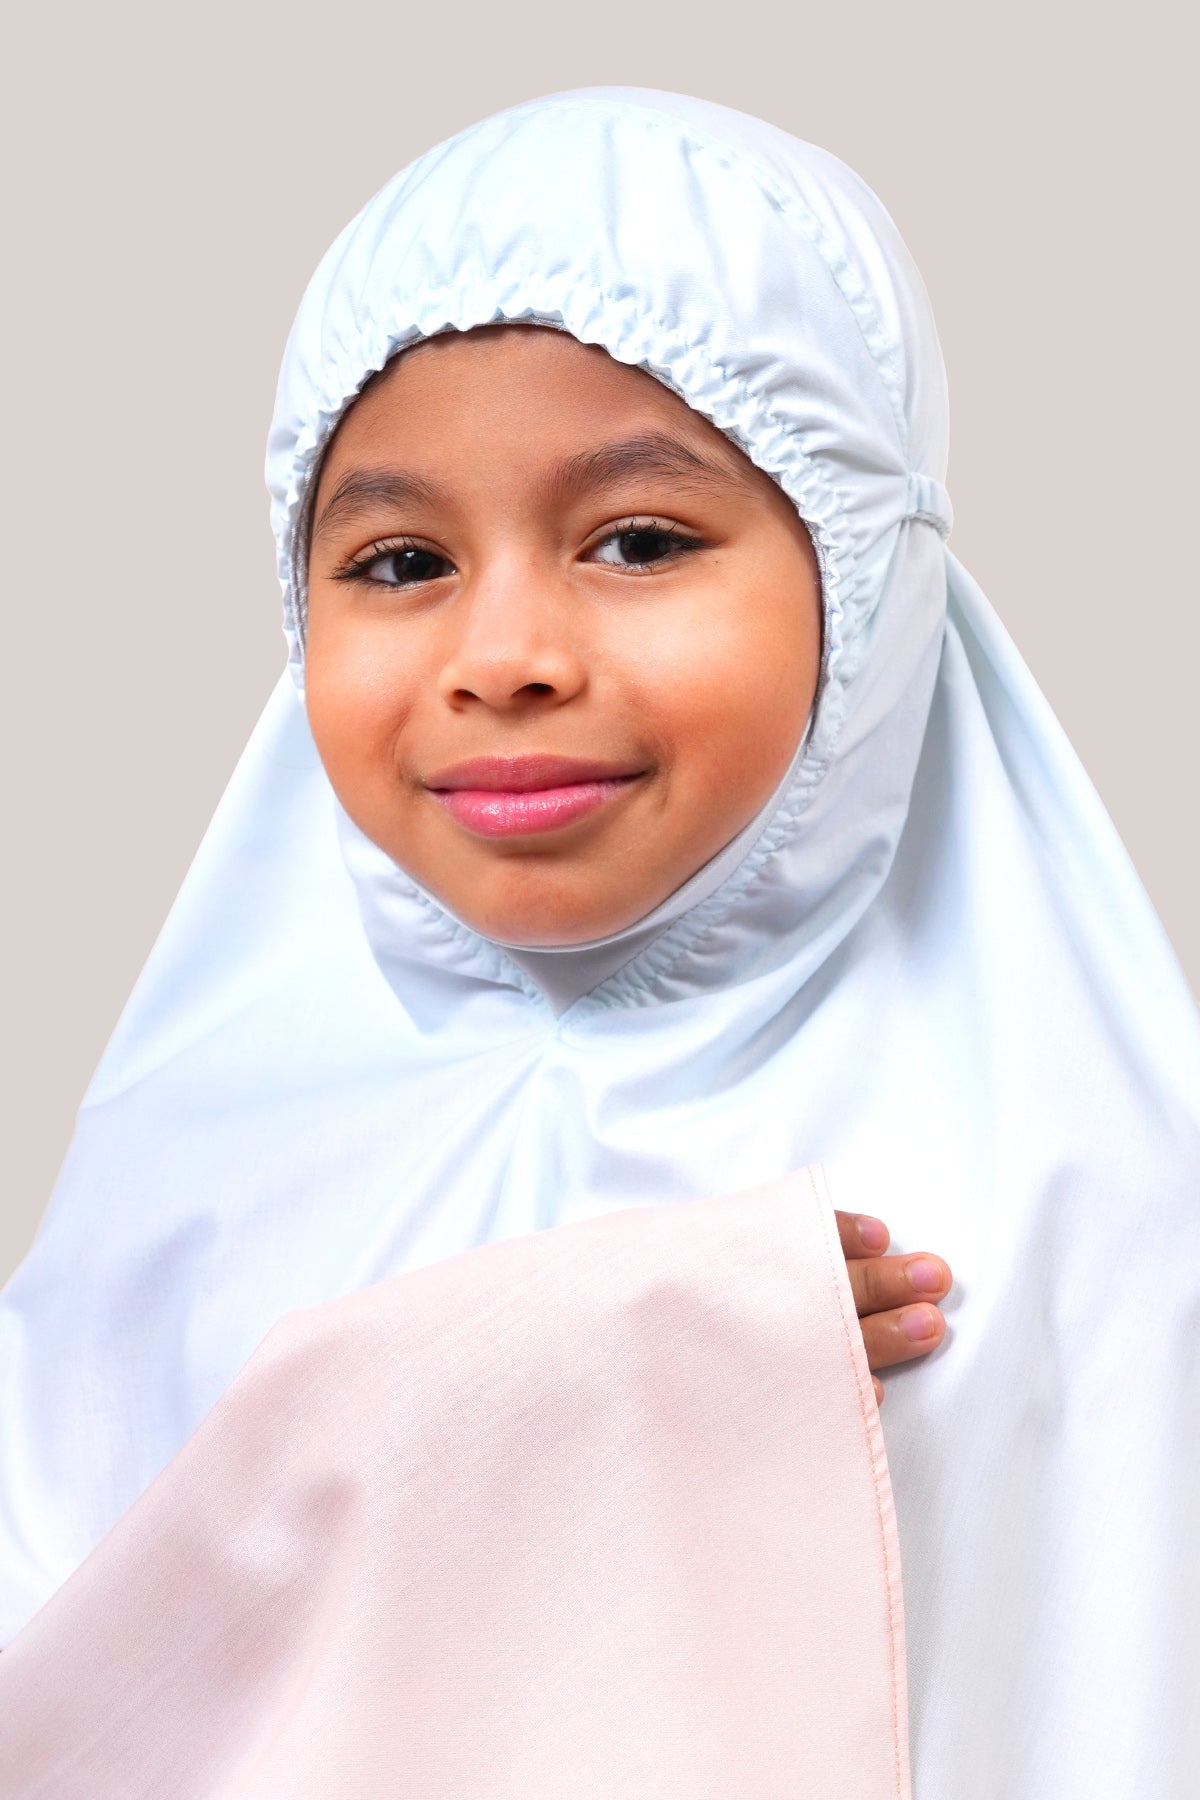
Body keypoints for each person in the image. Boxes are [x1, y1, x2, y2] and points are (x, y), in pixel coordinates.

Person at [0, 87, 1196, 1795]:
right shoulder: (200, 1152)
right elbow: (67, 1688)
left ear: (867, 574)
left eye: (639, 541)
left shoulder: (1071, 1195)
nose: (505, 657)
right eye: (398, 560)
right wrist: (567, 1368)